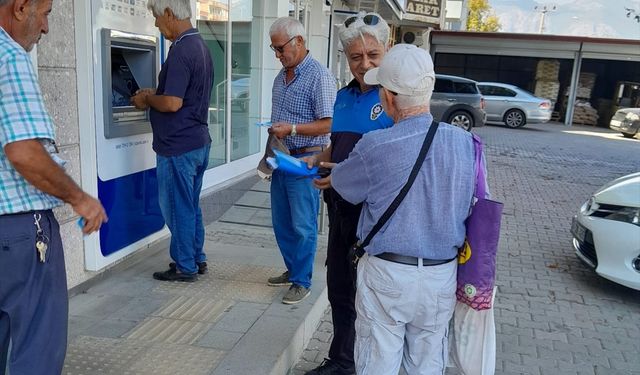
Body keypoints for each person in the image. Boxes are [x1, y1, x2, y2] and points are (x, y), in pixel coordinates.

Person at [327, 44, 485, 375]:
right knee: (427, 364)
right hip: (441, 275)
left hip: (388, 275)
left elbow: (342, 184)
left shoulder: (375, 146)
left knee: (377, 362)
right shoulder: (467, 145)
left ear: (388, 97)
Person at [0, 0, 108, 373]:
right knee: (37, 347)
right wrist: (80, 198)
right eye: (45, 13)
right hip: (18, 232)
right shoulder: (9, 57)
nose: (46, 28)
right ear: (20, 7)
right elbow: (24, 152)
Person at [303, 12, 393, 375]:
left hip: (372, 216)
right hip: (339, 208)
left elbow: (395, 162)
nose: (364, 64)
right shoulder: (342, 97)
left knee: (366, 295)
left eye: (373, 55)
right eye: (356, 57)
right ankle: (342, 360)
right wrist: (319, 158)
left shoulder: (393, 99)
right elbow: (340, 145)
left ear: (386, 51)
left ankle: (365, 363)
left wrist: (344, 177)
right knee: (339, 287)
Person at [131, 0, 214, 282]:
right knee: (189, 204)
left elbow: (172, 103)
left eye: (156, 16)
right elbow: (184, 96)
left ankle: (184, 266)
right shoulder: (200, 46)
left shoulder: (180, 50)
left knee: (177, 208)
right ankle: (196, 258)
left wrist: (146, 99)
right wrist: (158, 93)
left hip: (178, 146)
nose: (156, 23)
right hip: (197, 141)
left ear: (169, 13)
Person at [265, 17, 336, 304]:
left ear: (300, 42)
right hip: (280, 157)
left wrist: (292, 129)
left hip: (306, 159)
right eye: (274, 49)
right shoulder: (280, 78)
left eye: (280, 48)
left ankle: (302, 281)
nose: (277, 55)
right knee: (281, 222)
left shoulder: (319, 76)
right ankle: (293, 269)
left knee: (303, 224)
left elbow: (330, 123)